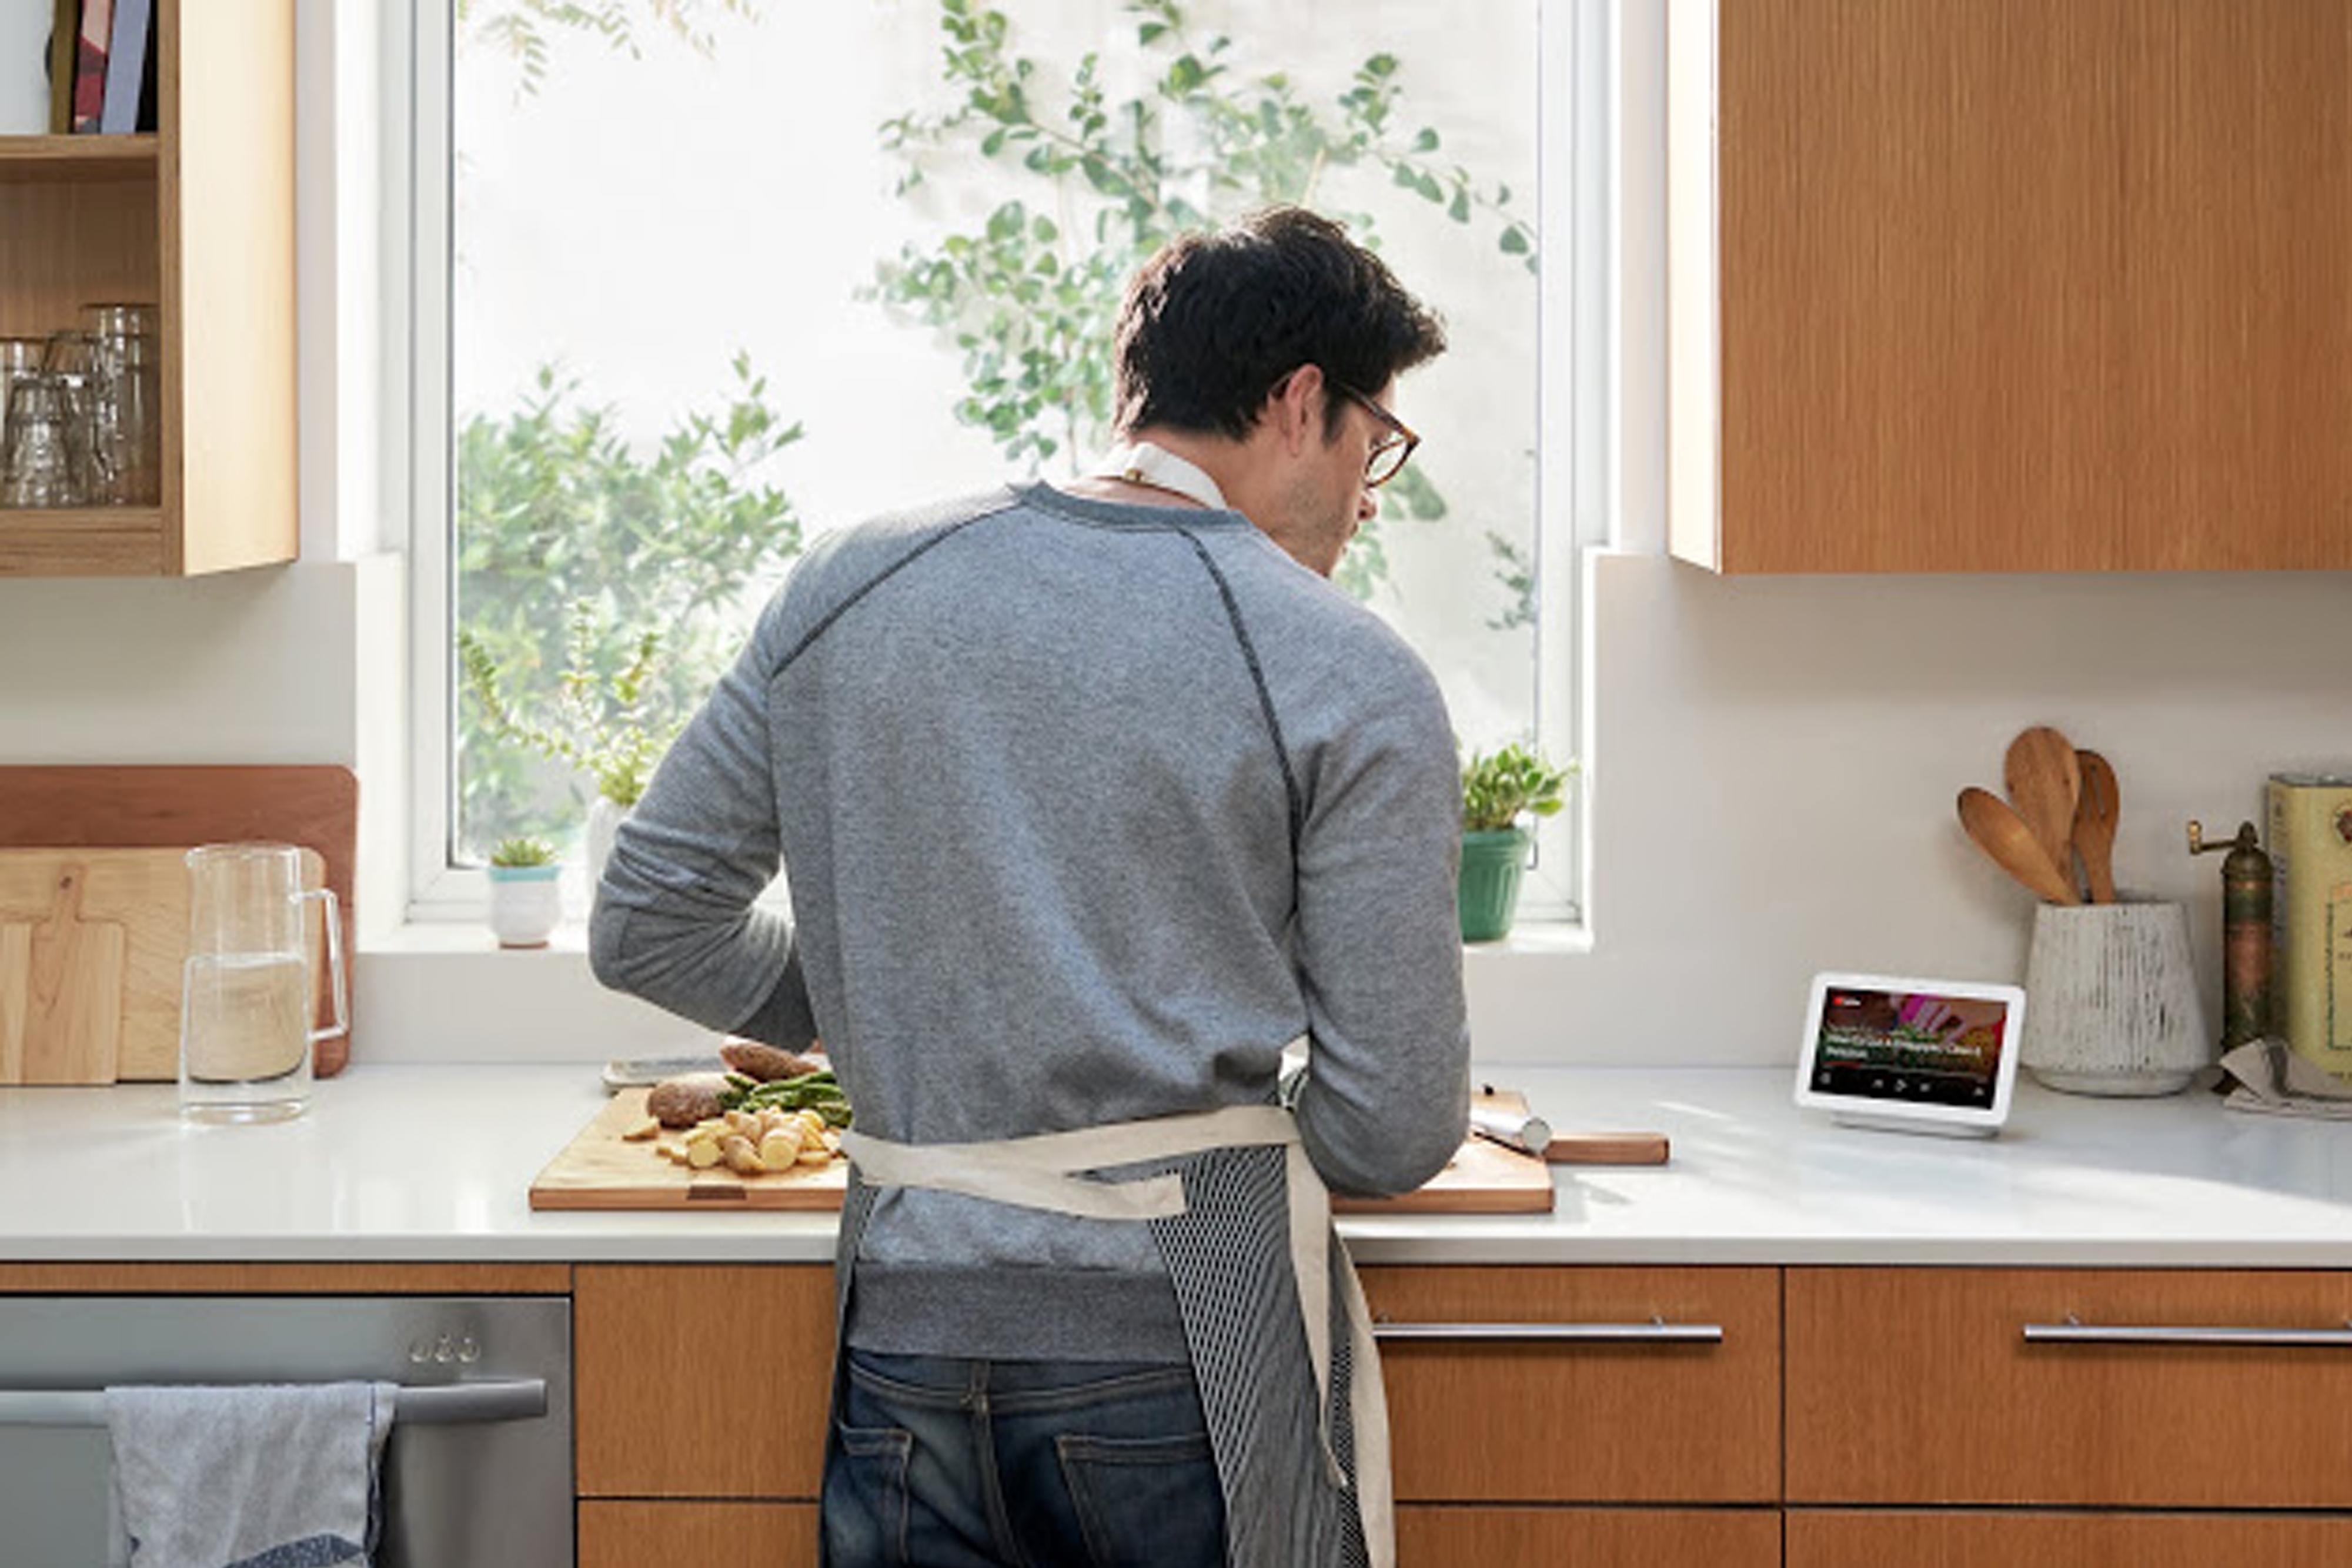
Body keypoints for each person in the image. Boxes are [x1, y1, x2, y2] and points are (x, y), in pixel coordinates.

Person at [590, 203, 1471, 1568]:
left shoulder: (852, 580)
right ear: (1302, 404)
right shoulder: (1339, 663)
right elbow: (1392, 1124)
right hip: (1184, 1345)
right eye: (1377, 446)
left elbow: (651, 919)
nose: (1370, 492)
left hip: (903, 1335)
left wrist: (907, 1004)